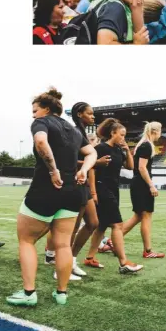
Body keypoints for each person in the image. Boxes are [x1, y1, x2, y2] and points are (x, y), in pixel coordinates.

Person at [6, 88, 97, 306]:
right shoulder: (75, 131)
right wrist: (84, 170)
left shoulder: (42, 122)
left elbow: (40, 142)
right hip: (72, 192)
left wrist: (53, 169)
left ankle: (29, 294)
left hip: (45, 189)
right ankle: (61, 293)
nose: (33, 115)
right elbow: (92, 152)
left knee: (27, 241)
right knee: (63, 245)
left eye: (35, 110)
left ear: (46, 109)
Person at [84, 118, 143, 272]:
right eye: (121, 135)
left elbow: (130, 167)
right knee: (117, 225)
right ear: (113, 133)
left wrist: (127, 151)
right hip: (101, 188)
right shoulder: (100, 148)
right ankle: (123, 262)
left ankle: (90, 258)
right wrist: (93, 192)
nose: (124, 138)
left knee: (102, 226)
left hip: (113, 190)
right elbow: (91, 168)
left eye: (125, 135)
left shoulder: (119, 150)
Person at [122, 122, 165, 258]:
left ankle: (111, 241)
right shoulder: (146, 145)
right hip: (141, 185)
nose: (161, 134)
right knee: (146, 216)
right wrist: (151, 185)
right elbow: (141, 167)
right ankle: (148, 251)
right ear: (155, 131)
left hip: (138, 184)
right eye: (160, 131)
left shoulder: (143, 144)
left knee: (138, 216)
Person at [68, 102, 100, 277]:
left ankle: (71, 259)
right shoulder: (74, 132)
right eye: (90, 113)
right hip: (76, 182)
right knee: (71, 228)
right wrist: (97, 162)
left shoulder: (83, 133)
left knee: (93, 223)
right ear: (80, 114)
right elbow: (69, 159)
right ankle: (61, 266)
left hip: (84, 183)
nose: (93, 116)